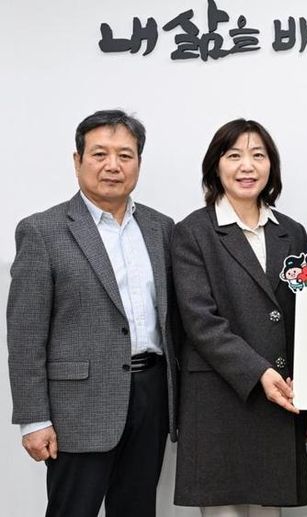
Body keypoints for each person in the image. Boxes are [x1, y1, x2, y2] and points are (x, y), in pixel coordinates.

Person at [6, 109, 180, 516]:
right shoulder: (43, 230)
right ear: (77, 160)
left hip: (151, 394)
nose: (112, 166)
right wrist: (33, 419)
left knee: (137, 508)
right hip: (78, 406)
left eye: (125, 155)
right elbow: (26, 334)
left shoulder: (161, 227)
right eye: (100, 154)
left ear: (138, 163)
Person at [171, 119, 307, 516]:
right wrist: (259, 372)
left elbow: (305, 317)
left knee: (270, 509)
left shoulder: (293, 233)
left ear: (271, 166)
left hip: (281, 397)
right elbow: (201, 322)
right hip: (218, 399)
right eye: (234, 155)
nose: (246, 166)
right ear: (215, 166)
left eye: (258, 155)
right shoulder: (192, 232)